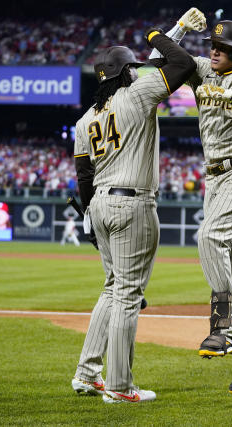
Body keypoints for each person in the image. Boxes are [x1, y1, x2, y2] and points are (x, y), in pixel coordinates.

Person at [150, 17, 232, 395]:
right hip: (215, 178)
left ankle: (221, 329)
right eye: (211, 44)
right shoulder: (206, 68)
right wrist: (175, 27)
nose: (213, 50)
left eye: (220, 48)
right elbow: (163, 58)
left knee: (209, 238)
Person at [70, 27, 198, 404]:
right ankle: (120, 387)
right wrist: (159, 34)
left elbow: (83, 176)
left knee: (112, 288)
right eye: (133, 69)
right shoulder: (136, 93)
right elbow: (183, 63)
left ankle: (87, 373)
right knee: (127, 294)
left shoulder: (84, 120)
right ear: (127, 73)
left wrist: (90, 216)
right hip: (133, 202)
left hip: (99, 204)